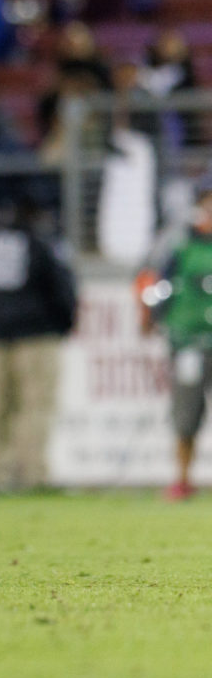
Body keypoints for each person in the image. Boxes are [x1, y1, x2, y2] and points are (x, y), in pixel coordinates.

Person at [0, 200, 77, 491]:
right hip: (37, 335)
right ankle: (34, 475)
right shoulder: (40, 241)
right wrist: (64, 323)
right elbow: (60, 285)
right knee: (36, 406)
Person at [139, 176, 212, 500]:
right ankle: (182, 479)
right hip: (189, 340)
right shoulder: (179, 244)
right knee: (186, 413)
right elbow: (157, 284)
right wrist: (153, 316)